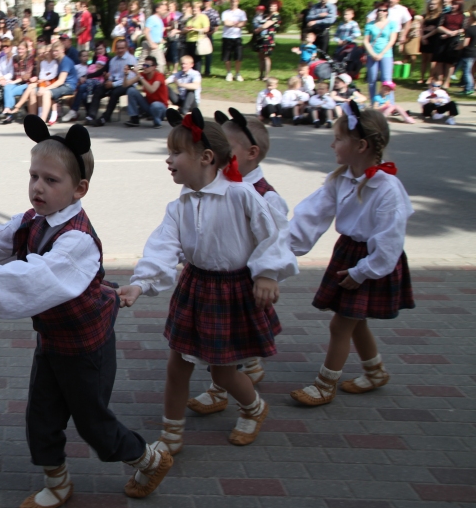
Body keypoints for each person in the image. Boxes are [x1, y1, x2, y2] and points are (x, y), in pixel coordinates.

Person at [0, 116, 173, 508]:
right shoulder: (31, 220)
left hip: (87, 346)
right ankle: (57, 483)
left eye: (51, 180)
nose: (38, 186)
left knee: (93, 424)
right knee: (41, 415)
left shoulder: (77, 240)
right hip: (53, 342)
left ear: (79, 189)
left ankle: (147, 457)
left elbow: (35, 278)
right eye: (34, 175)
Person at [119, 108, 297, 454]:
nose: (168, 160)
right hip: (196, 289)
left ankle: (254, 407)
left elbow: (272, 234)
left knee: (223, 373)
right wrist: (140, 283)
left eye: (176, 152)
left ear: (206, 157)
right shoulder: (179, 206)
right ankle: (171, 434)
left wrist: (266, 273)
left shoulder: (241, 195)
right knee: (178, 364)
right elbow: (162, 249)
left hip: (232, 292)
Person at [289, 102, 413, 406]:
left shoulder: (388, 188)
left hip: (371, 261)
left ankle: (324, 385)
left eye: (339, 139)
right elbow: (311, 216)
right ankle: (375, 372)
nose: (333, 144)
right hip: (349, 253)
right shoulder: (340, 179)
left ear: (361, 145)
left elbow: (390, 243)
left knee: (341, 324)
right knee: (356, 320)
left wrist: (363, 271)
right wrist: (279, 249)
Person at [189, 108, 289, 412]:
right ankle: (228, 383)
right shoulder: (217, 186)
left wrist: (268, 274)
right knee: (221, 342)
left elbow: (277, 239)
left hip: (243, 283)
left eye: (227, 148)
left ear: (251, 153)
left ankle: (236, 394)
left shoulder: (264, 196)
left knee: (226, 344)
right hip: (218, 280)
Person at [87, 38, 137, 125]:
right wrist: (108, 79)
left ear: (126, 48)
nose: (120, 50)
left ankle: (105, 117)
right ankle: (91, 115)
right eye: (118, 48)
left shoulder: (131, 60)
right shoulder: (113, 60)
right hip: (115, 82)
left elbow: (131, 77)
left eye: (122, 48)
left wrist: (113, 84)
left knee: (115, 93)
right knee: (99, 89)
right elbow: (112, 74)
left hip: (127, 83)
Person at [363, 3, 399, 101]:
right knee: (372, 80)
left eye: (384, 10)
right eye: (379, 10)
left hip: (386, 54)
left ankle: (389, 102)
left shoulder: (392, 24)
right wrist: (372, 54)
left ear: (387, 12)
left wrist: (382, 53)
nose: (381, 12)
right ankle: (373, 102)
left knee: (387, 80)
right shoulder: (370, 25)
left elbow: (392, 40)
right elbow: (366, 40)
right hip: (372, 54)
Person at [124, 56, 168, 127]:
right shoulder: (142, 75)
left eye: (147, 66)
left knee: (155, 105)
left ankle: (157, 122)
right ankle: (134, 119)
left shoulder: (159, 76)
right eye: (144, 65)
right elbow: (125, 85)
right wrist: (126, 74)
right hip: (149, 105)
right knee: (131, 90)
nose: (144, 67)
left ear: (154, 67)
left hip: (160, 108)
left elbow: (152, 90)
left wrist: (140, 77)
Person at [433, 0, 465, 88]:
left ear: (459, 6)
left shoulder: (462, 16)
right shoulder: (445, 14)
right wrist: (447, 32)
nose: (452, 6)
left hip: (454, 40)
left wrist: (454, 33)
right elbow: (439, 26)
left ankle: (447, 81)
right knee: (439, 60)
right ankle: (439, 80)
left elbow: (464, 28)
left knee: (450, 62)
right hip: (442, 39)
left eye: (455, 4)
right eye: (452, 4)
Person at [221, 0, 247, 82]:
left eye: (235, 1)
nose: (233, 3)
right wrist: (236, 23)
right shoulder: (225, 12)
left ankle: (237, 73)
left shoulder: (241, 13)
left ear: (238, 2)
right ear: (230, 2)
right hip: (227, 36)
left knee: (238, 57)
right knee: (227, 57)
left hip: (237, 37)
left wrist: (234, 23)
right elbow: (226, 23)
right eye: (232, 1)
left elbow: (243, 23)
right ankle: (229, 73)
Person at [252, 1, 281, 79]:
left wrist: (258, 30)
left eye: (274, 6)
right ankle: (260, 75)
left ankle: (266, 76)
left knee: (266, 57)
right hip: (261, 38)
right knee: (260, 56)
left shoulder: (276, 16)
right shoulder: (267, 15)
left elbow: (266, 25)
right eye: (271, 5)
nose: (271, 7)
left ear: (277, 7)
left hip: (268, 38)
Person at [419, 0, 442, 84]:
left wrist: (426, 36)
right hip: (424, 39)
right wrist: (422, 37)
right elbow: (421, 27)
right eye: (430, 4)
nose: (431, 6)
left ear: (438, 5)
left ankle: (430, 77)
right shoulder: (425, 16)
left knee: (431, 60)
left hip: (433, 39)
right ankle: (421, 77)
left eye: (434, 4)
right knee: (424, 59)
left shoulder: (440, 16)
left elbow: (437, 29)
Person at [458, 9, 476, 96]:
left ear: (472, 18)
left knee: (467, 72)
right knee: (470, 71)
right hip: (474, 52)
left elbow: (465, 43)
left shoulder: (469, 30)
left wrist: (458, 47)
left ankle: (469, 88)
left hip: (468, 52)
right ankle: (469, 87)